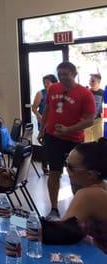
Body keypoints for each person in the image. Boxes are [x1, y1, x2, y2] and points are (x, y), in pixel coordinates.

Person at [39, 61, 95, 220]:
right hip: (53, 137)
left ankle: (79, 208)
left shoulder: (85, 94)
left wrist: (69, 129)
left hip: (73, 139)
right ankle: (54, 209)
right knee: (54, 172)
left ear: (74, 74)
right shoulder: (53, 88)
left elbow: (90, 120)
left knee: (75, 174)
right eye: (59, 74)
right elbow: (47, 109)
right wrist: (42, 128)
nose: (62, 77)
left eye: (65, 74)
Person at [43, 138, 107, 253]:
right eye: (66, 162)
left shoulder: (89, 194)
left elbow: (59, 232)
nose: (66, 169)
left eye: (71, 167)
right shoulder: (102, 187)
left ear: (90, 174)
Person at [31, 74, 58, 174]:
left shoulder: (59, 92)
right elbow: (34, 108)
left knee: (55, 145)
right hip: (45, 123)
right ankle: (45, 165)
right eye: (44, 83)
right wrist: (39, 116)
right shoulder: (41, 93)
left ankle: (55, 166)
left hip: (56, 123)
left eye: (48, 82)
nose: (46, 85)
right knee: (46, 145)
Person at [85, 73, 104, 142]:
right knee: (87, 141)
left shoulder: (103, 93)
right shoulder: (86, 92)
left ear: (98, 82)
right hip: (87, 120)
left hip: (98, 120)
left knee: (98, 140)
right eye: (90, 81)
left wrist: (103, 113)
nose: (90, 83)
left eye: (93, 81)